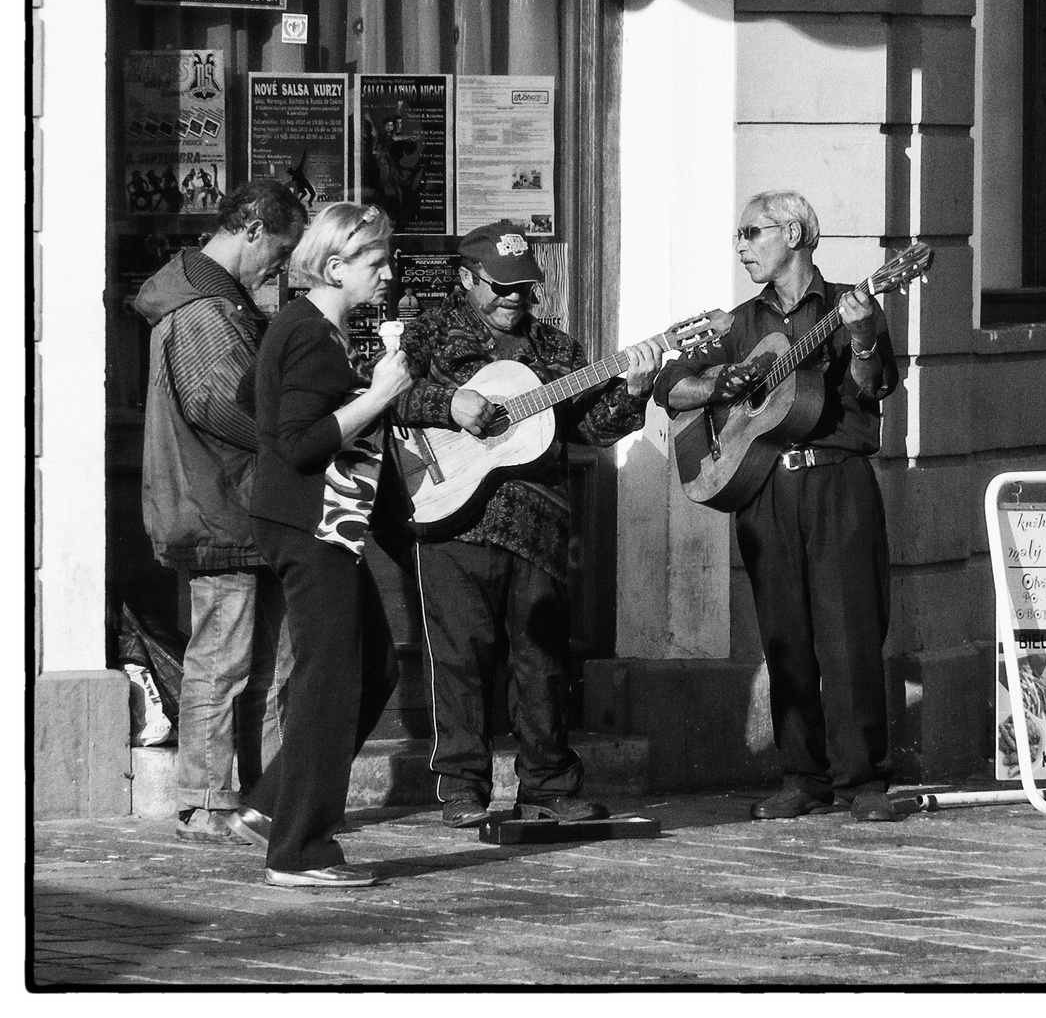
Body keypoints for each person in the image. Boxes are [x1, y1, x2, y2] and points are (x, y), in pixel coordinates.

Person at [389, 222, 663, 828]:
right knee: (460, 659)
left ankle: (548, 784)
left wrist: (635, 390)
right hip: (451, 516)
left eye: (523, 288)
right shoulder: (427, 336)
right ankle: (462, 788)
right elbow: (381, 399)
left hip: (537, 525)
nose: (514, 298)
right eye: (500, 287)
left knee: (540, 661)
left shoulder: (556, 350)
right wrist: (448, 404)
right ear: (466, 278)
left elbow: (596, 429)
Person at [652, 190, 901, 823]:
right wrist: (723, 383)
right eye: (739, 235)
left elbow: (876, 389)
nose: (741, 245)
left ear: (793, 232)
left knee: (850, 633)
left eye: (752, 232)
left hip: (838, 481)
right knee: (785, 635)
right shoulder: (741, 323)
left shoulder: (852, 301)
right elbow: (670, 388)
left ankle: (864, 780)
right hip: (764, 485)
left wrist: (864, 336)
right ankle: (801, 776)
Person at [242, 202, 413, 887]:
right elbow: (302, 442)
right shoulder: (309, 332)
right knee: (330, 682)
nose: (389, 274)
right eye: (376, 262)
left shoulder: (317, 329)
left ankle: (273, 803)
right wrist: (377, 397)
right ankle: (300, 850)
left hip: (324, 527)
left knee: (372, 669)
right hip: (309, 527)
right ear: (335, 266)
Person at [136, 178, 307, 846]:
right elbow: (218, 403)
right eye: (281, 249)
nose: (280, 266)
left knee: (267, 662)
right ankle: (205, 803)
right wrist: (298, 433)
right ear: (254, 231)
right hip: (221, 507)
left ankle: (262, 798)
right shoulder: (204, 308)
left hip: (241, 503)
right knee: (226, 658)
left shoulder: (218, 300)